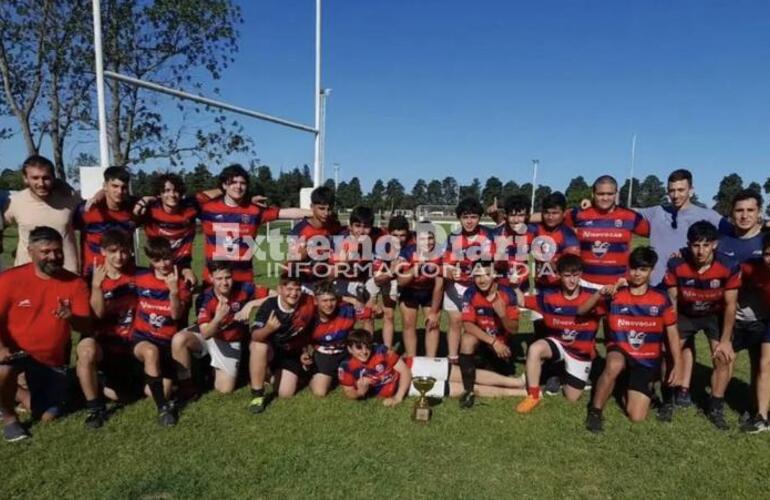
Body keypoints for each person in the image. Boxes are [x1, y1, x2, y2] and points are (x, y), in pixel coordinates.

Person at [0, 226, 91, 442]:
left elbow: (86, 328)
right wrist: (1, 348)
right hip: (14, 354)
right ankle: (10, 419)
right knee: (3, 372)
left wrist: (71, 317)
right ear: (30, 251)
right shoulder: (9, 280)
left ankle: (15, 393)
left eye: (58, 251)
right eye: (46, 252)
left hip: (49, 360)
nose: (54, 257)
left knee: (48, 415)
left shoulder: (74, 283)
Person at [580, 247, 682, 432]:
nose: (637, 273)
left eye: (643, 269)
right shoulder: (615, 295)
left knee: (636, 417)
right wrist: (600, 294)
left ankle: (627, 384)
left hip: (646, 359)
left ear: (651, 271)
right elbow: (581, 311)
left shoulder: (660, 299)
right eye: (634, 268)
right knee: (614, 365)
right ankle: (595, 412)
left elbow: (673, 333)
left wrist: (677, 363)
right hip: (619, 349)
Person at [663, 221, 740, 429]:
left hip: (714, 315)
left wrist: (725, 341)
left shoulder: (728, 266)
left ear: (714, 244)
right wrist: (672, 335)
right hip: (686, 314)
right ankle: (668, 398)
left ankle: (715, 406)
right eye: (696, 245)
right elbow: (673, 302)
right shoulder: (676, 265)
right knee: (670, 353)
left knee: (722, 358)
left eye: (706, 245)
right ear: (689, 245)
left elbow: (731, 305)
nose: (700, 251)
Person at [339, 329, 525, 405]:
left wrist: (397, 397)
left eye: (366, 347)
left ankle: (517, 382)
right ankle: (520, 393)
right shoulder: (347, 367)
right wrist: (361, 392)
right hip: (410, 387)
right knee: (464, 389)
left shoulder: (380, 350)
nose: (364, 352)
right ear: (349, 348)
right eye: (358, 348)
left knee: (466, 375)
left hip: (414, 368)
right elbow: (350, 393)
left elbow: (403, 371)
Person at [514, 255, 603, 413]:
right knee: (535, 348)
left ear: (581, 274)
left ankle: (564, 373)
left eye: (575, 275)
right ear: (559, 275)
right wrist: (514, 285)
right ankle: (533, 396)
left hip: (580, 353)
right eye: (567, 276)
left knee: (572, 397)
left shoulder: (594, 297)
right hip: (558, 344)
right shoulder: (549, 298)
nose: (572, 281)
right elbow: (522, 301)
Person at [197, 164, 308, 285]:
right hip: (214, 281)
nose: (238, 186)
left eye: (242, 183)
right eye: (233, 182)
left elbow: (285, 213)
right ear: (224, 185)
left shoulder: (254, 211)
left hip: (244, 281)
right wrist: (223, 187)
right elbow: (192, 199)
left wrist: (315, 213)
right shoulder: (207, 208)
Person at [171, 262, 269, 399]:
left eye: (227, 277)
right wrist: (218, 318)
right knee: (179, 339)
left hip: (229, 340)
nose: (225, 282)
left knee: (225, 389)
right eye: (219, 279)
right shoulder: (204, 297)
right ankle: (187, 386)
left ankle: (206, 366)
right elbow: (206, 333)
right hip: (208, 333)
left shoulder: (245, 288)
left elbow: (276, 296)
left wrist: (251, 304)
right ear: (211, 278)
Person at [75, 229, 139, 429]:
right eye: (113, 251)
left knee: (129, 396)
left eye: (124, 251)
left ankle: (100, 383)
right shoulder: (90, 279)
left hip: (130, 345)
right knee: (86, 349)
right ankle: (95, 408)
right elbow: (97, 316)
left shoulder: (138, 275)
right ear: (103, 251)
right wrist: (96, 287)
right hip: (103, 344)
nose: (119, 256)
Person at [131, 237, 192, 427]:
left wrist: (173, 292)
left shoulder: (181, 283)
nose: (163, 264)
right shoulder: (140, 278)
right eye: (157, 260)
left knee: (156, 391)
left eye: (166, 258)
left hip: (167, 343)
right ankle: (163, 409)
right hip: (143, 339)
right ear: (150, 260)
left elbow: (176, 315)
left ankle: (179, 380)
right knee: (150, 352)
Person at [565, 175, 650, 289]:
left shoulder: (630, 216)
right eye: (600, 194)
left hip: (619, 285)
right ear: (593, 194)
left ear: (616, 194)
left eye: (610, 194)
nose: (605, 198)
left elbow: (657, 233)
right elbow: (552, 220)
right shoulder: (578, 214)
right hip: (585, 284)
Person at [457, 260, 522, 409]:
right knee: (467, 339)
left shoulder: (508, 294)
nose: (482, 280)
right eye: (478, 276)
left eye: (487, 274)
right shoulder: (470, 293)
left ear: (494, 275)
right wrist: (493, 342)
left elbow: (514, 329)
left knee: (492, 375)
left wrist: (503, 315)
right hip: (484, 343)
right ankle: (468, 390)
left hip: (502, 349)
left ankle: (498, 379)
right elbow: (467, 325)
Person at [248, 275, 317, 413]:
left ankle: (268, 375)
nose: (294, 293)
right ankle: (257, 394)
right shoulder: (269, 305)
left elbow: (309, 332)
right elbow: (255, 336)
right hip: (270, 351)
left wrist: (305, 352)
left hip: (291, 353)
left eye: (297, 289)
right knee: (258, 346)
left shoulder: (307, 304)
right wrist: (268, 329)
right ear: (280, 289)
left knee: (285, 393)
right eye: (289, 289)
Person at [4, 155, 81, 273]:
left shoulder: (69, 198)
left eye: (46, 178)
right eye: (35, 178)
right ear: (25, 179)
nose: (41, 183)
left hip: (66, 271)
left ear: (53, 178)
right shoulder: (15, 202)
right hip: (28, 273)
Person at [443, 197, 496, 362]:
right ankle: (453, 357)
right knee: (455, 321)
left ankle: (480, 355)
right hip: (457, 285)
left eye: (473, 217)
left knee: (480, 322)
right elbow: (445, 265)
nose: (469, 221)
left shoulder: (488, 235)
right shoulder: (454, 237)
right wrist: (451, 273)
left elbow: (492, 263)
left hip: (479, 285)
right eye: (465, 217)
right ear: (459, 218)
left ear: (479, 218)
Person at [74, 166, 138, 278]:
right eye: (115, 186)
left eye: (124, 187)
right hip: (93, 274)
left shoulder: (134, 208)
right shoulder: (87, 209)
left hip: (124, 275)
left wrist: (148, 200)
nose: (119, 191)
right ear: (105, 186)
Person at [735, 233, 770, 433]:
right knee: (764, 363)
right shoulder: (752, 268)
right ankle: (762, 417)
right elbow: (729, 281)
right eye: (767, 254)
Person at [331, 205, 385, 332]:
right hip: (341, 281)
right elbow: (331, 274)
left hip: (363, 278)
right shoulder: (339, 240)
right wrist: (344, 262)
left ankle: (368, 346)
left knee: (368, 315)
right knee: (343, 318)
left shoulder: (377, 235)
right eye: (357, 226)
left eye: (366, 226)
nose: (361, 231)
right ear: (350, 226)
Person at [396, 224, 443, 357]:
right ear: (415, 240)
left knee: (433, 323)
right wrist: (417, 266)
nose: (427, 243)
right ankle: (412, 359)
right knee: (409, 323)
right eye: (422, 239)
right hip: (410, 289)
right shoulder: (407, 252)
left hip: (430, 290)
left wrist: (433, 312)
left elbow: (439, 285)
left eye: (430, 238)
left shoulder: (440, 253)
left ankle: (431, 360)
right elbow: (401, 281)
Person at [308, 281, 357, 397]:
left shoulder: (347, 310)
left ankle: (340, 373)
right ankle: (311, 375)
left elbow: (370, 314)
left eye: (332, 300)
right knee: (320, 392)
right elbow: (303, 340)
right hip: (324, 355)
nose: (329, 304)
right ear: (316, 301)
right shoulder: (310, 317)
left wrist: (356, 302)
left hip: (346, 352)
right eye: (324, 300)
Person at [288, 186, 339, 294]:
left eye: (329, 209)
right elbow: (291, 259)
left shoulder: (334, 226)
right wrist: (302, 254)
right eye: (321, 208)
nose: (326, 213)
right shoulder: (299, 229)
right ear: (312, 207)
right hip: (302, 282)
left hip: (325, 280)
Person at [373, 215, 412, 348]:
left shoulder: (413, 245)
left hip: (408, 283)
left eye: (403, 235)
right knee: (388, 315)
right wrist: (391, 271)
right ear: (389, 233)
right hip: (389, 279)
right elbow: (378, 278)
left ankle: (410, 354)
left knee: (408, 320)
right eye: (395, 235)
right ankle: (387, 349)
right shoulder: (382, 246)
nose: (399, 239)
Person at [493, 194, 532, 290]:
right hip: (500, 287)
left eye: (521, 215)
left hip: (522, 286)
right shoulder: (496, 234)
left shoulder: (532, 232)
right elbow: (486, 266)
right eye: (512, 215)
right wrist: (498, 255)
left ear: (527, 216)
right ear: (506, 215)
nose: (516, 220)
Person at [718, 189, 767, 264]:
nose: (744, 216)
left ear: (759, 212)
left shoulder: (767, 241)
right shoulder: (719, 243)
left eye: (750, 210)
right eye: (739, 210)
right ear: (732, 213)